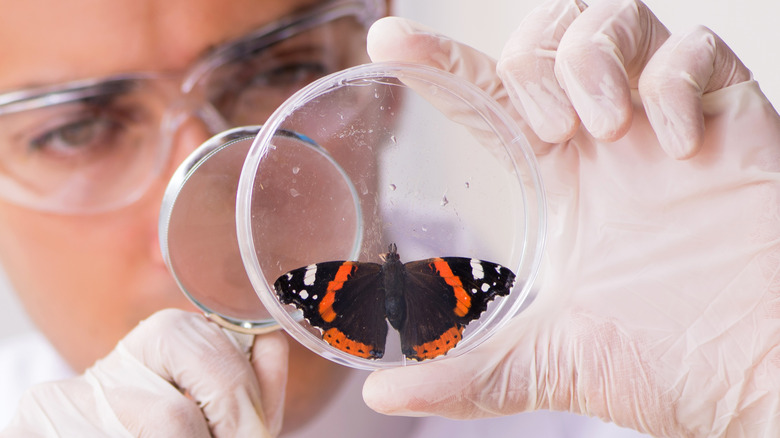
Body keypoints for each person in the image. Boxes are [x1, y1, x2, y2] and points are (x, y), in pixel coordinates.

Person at [0, 0, 777, 436]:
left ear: (383, 78)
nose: (218, 201)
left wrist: (764, 384)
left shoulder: (632, 396)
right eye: (73, 128)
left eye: (281, 71)